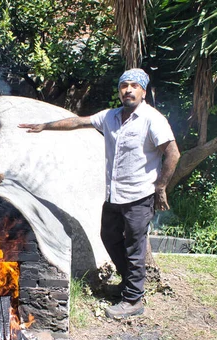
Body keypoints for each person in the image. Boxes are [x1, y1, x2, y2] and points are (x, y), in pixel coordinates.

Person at [18, 68, 180, 318]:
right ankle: (129, 285)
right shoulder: (111, 117)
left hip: (139, 196)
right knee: (109, 237)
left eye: (134, 86)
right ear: (119, 91)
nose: (128, 90)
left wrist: (160, 187)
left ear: (143, 91)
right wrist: (44, 125)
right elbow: (78, 121)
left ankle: (134, 301)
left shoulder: (152, 119)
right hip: (114, 195)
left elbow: (173, 152)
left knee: (135, 248)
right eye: (124, 85)